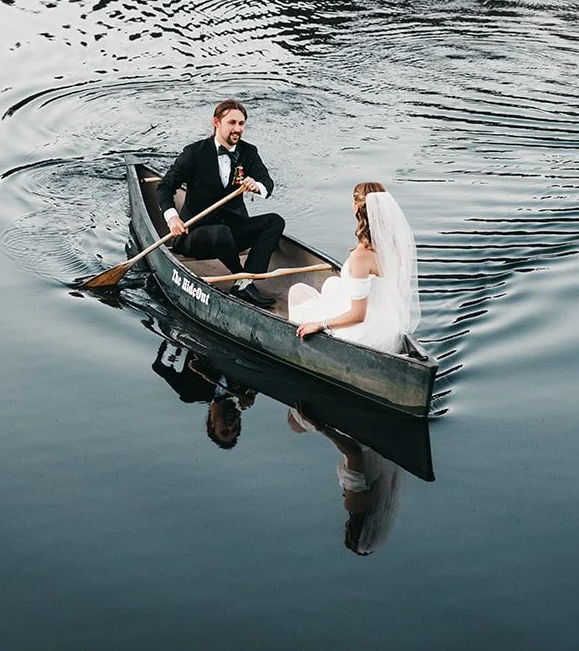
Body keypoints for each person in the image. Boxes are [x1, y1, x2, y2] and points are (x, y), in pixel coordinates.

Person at [157, 99, 284, 309]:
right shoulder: (194, 153)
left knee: (275, 222)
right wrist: (172, 218)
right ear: (216, 122)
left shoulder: (248, 152)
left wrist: (257, 185)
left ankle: (245, 281)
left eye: (242, 124)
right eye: (232, 123)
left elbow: (267, 183)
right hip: (196, 235)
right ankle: (240, 276)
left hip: (233, 232)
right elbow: (165, 187)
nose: (238, 129)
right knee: (219, 232)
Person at [288, 181, 418, 351]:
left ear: (356, 207)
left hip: (365, 333)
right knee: (331, 284)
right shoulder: (397, 247)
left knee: (296, 292)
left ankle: (298, 348)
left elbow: (358, 315)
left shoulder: (360, 256)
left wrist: (320, 324)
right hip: (389, 325)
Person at [287, 409, 403, 555]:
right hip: (360, 435)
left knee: (297, 425)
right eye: (347, 532)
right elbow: (353, 452)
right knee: (293, 422)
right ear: (352, 530)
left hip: (376, 438)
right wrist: (323, 429)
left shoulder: (383, 495)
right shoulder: (354, 505)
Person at [151, 339, 256, 449]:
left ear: (211, 425)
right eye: (235, 428)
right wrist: (252, 392)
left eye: (224, 431)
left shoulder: (191, 392)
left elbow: (161, 368)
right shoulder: (244, 391)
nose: (231, 426)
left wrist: (174, 345)